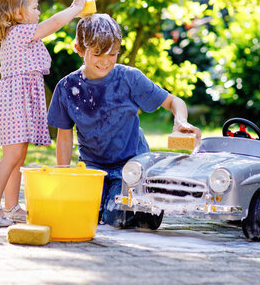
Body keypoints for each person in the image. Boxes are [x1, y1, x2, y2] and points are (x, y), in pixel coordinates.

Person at [47, 13, 201, 228]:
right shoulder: (67, 87)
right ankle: (130, 203)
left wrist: (181, 121)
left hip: (131, 167)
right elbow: (64, 136)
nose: (106, 61)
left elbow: (174, 101)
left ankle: (148, 203)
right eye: (98, 53)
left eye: (113, 54)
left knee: (114, 218)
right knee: (86, 213)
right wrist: (63, 175)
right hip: (92, 168)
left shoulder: (129, 78)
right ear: (79, 49)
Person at [0, 0, 86, 226]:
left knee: (18, 156)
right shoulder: (19, 33)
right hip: (14, 100)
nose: (39, 12)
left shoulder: (20, 34)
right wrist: (74, 9)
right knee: (12, 155)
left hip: (20, 99)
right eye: (34, 6)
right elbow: (54, 24)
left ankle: (10, 206)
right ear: (18, 12)